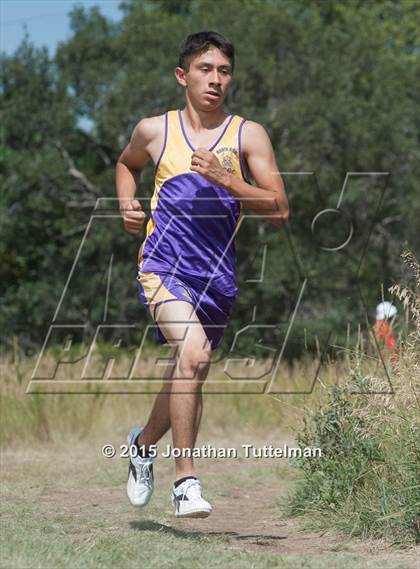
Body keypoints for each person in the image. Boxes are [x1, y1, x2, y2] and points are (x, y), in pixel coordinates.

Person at [115, 31, 289, 518]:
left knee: (187, 371)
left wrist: (227, 179)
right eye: (205, 69)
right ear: (182, 76)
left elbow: (279, 210)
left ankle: (141, 445)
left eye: (224, 71)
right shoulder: (155, 130)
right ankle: (185, 480)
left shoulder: (247, 134)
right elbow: (126, 164)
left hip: (217, 278)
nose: (216, 80)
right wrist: (127, 201)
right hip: (163, 266)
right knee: (194, 353)